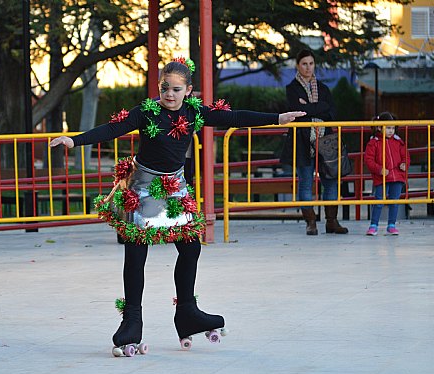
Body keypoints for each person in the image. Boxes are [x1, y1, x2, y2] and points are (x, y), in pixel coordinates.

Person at [50, 58, 305, 354]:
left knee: (190, 247)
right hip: (143, 188)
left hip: (175, 187)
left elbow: (233, 118)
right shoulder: (146, 113)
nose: (169, 94)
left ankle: (187, 312)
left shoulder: (194, 112)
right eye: (164, 88)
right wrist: (75, 140)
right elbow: (112, 129)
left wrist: (277, 119)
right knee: (136, 253)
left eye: (176, 89)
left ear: (188, 90)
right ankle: (132, 321)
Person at [282, 49, 348, 235]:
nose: (308, 67)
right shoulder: (292, 89)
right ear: (297, 66)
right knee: (305, 182)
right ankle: (310, 222)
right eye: (304, 64)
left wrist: (308, 108)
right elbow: (296, 112)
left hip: (326, 141)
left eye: (311, 64)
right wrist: (318, 109)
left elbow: (331, 112)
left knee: (331, 181)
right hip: (303, 142)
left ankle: (331, 222)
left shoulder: (324, 88)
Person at [364, 112, 409, 236]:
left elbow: (406, 155)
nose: (391, 131)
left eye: (392, 128)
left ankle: (392, 225)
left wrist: (405, 164)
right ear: (379, 127)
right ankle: (373, 225)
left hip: (397, 177)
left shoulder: (398, 142)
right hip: (382, 177)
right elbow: (368, 160)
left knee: (394, 202)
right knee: (378, 202)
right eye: (388, 128)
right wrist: (379, 169)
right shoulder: (374, 142)